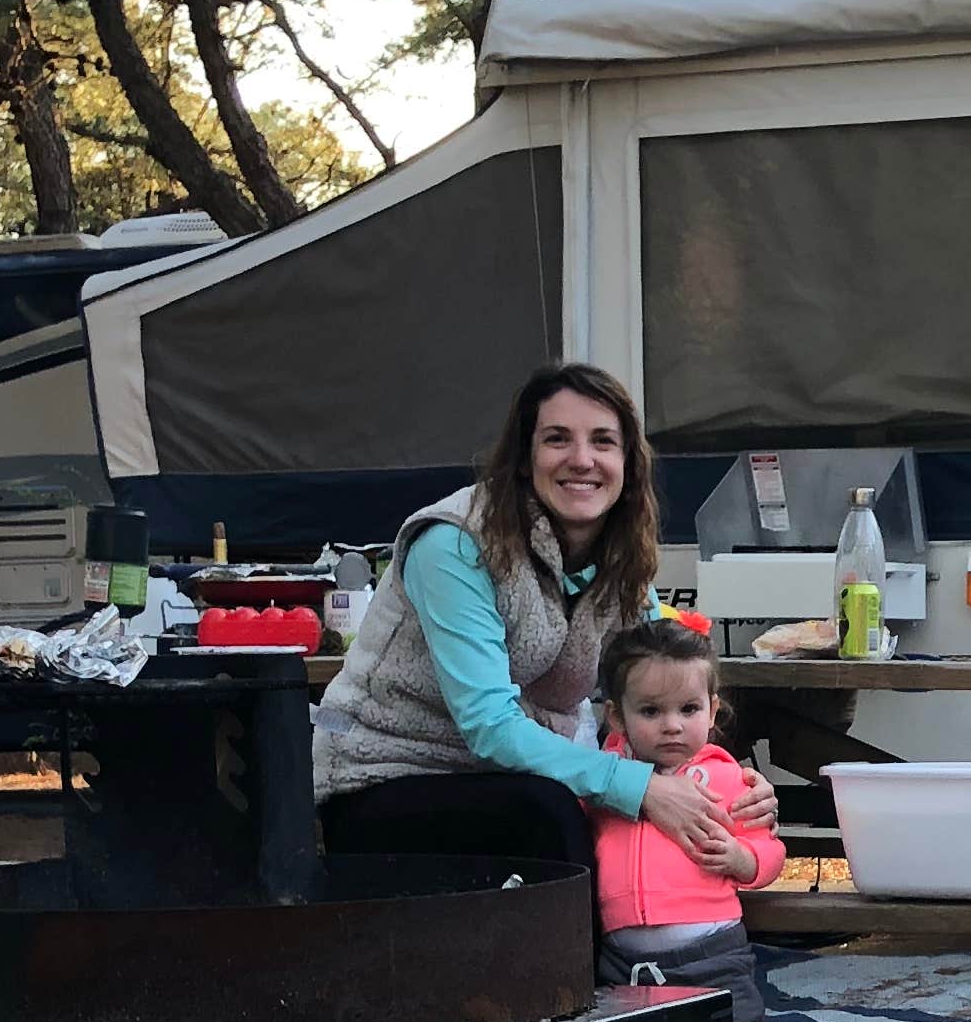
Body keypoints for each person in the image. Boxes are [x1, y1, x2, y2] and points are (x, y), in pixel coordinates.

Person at [313, 363, 743, 879]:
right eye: (557, 439)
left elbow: (669, 674)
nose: (582, 460)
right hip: (388, 779)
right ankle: (585, 962)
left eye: (603, 441)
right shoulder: (454, 543)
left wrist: (727, 780)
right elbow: (490, 726)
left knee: (649, 810)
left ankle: (687, 949)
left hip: (523, 778)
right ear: (524, 458)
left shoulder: (621, 557)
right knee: (554, 816)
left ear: (628, 462)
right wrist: (641, 786)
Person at [589, 621, 783, 1022]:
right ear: (618, 717)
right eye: (651, 711)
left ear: (712, 710)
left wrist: (743, 860)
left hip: (713, 957)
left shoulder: (728, 779)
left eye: (689, 708)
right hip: (623, 963)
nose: (672, 725)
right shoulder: (604, 781)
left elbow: (769, 849)